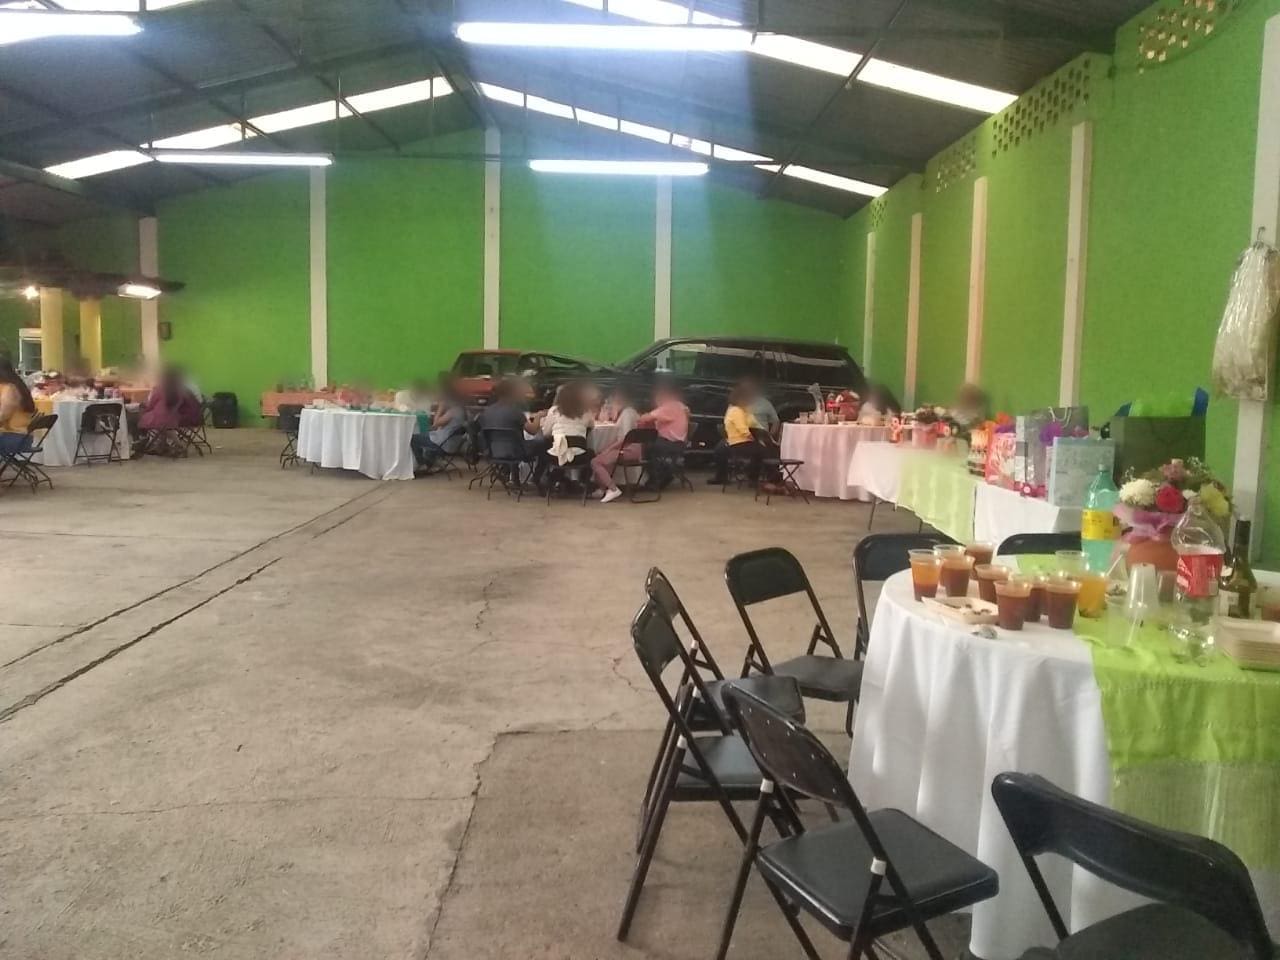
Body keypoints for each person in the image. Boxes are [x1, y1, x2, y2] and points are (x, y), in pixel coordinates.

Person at [709, 383, 777, 486]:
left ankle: (756, 478)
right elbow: (743, 429)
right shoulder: (735, 411)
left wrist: (764, 435)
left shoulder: (745, 411)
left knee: (764, 449)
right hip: (738, 443)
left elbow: (755, 424)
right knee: (762, 451)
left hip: (745, 441)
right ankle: (771, 477)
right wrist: (753, 438)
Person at [590, 384, 641, 504]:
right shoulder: (628, 412)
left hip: (628, 450)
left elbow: (626, 438)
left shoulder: (627, 413)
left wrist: (609, 449)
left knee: (595, 461)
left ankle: (613, 489)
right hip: (629, 448)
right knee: (601, 455)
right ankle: (603, 487)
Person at [635, 379, 690, 491]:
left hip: (670, 443)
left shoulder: (668, 407)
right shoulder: (680, 405)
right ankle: (662, 474)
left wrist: (641, 416)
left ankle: (658, 478)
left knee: (647, 448)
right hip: (680, 443)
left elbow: (645, 418)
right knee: (651, 445)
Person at [140, 366, 201, 455]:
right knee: (165, 424)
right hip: (176, 417)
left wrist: (144, 410)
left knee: (146, 419)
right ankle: (162, 445)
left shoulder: (159, 389)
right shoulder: (181, 389)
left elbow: (150, 405)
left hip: (162, 419)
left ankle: (177, 446)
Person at [411, 376, 467, 470]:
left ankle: (422, 463)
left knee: (413, 438)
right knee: (424, 434)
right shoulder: (460, 410)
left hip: (443, 444)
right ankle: (431, 462)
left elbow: (436, 423)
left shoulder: (453, 411)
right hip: (450, 442)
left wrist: (440, 408)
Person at [0, 356, 36, 457]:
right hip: (19, 437)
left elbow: (3, 415)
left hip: (14, 437)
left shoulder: (9, 389)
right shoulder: (16, 385)